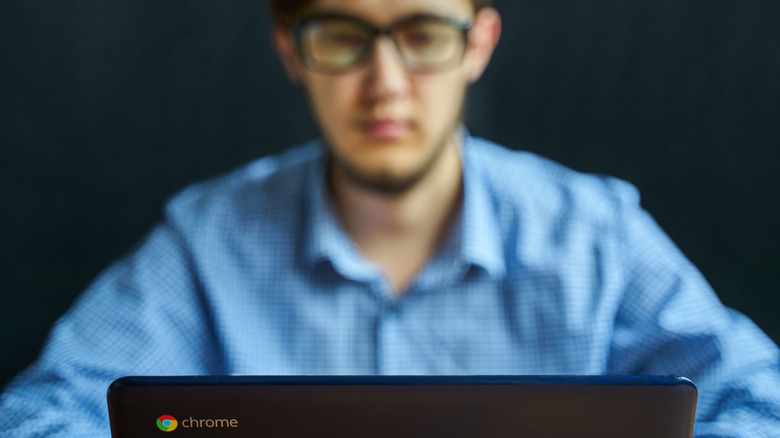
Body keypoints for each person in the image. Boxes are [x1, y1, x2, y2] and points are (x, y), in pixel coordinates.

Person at [1, 0, 779, 436]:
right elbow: (42, 414)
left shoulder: (593, 233)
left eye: (422, 34)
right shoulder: (208, 240)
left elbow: (759, 396)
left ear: (478, 44)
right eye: (342, 36)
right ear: (289, 48)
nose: (386, 83)